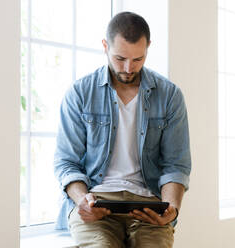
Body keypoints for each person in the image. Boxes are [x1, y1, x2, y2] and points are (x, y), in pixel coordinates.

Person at [54, 11, 191, 248]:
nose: (128, 68)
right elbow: (66, 162)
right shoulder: (80, 93)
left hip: (148, 205)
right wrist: (82, 201)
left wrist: (172, 209)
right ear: (105, 46)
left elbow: (176, 165)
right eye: (120, 58)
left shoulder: (170, 96)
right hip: (97, 202)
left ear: (148, 47)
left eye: (138, 59)